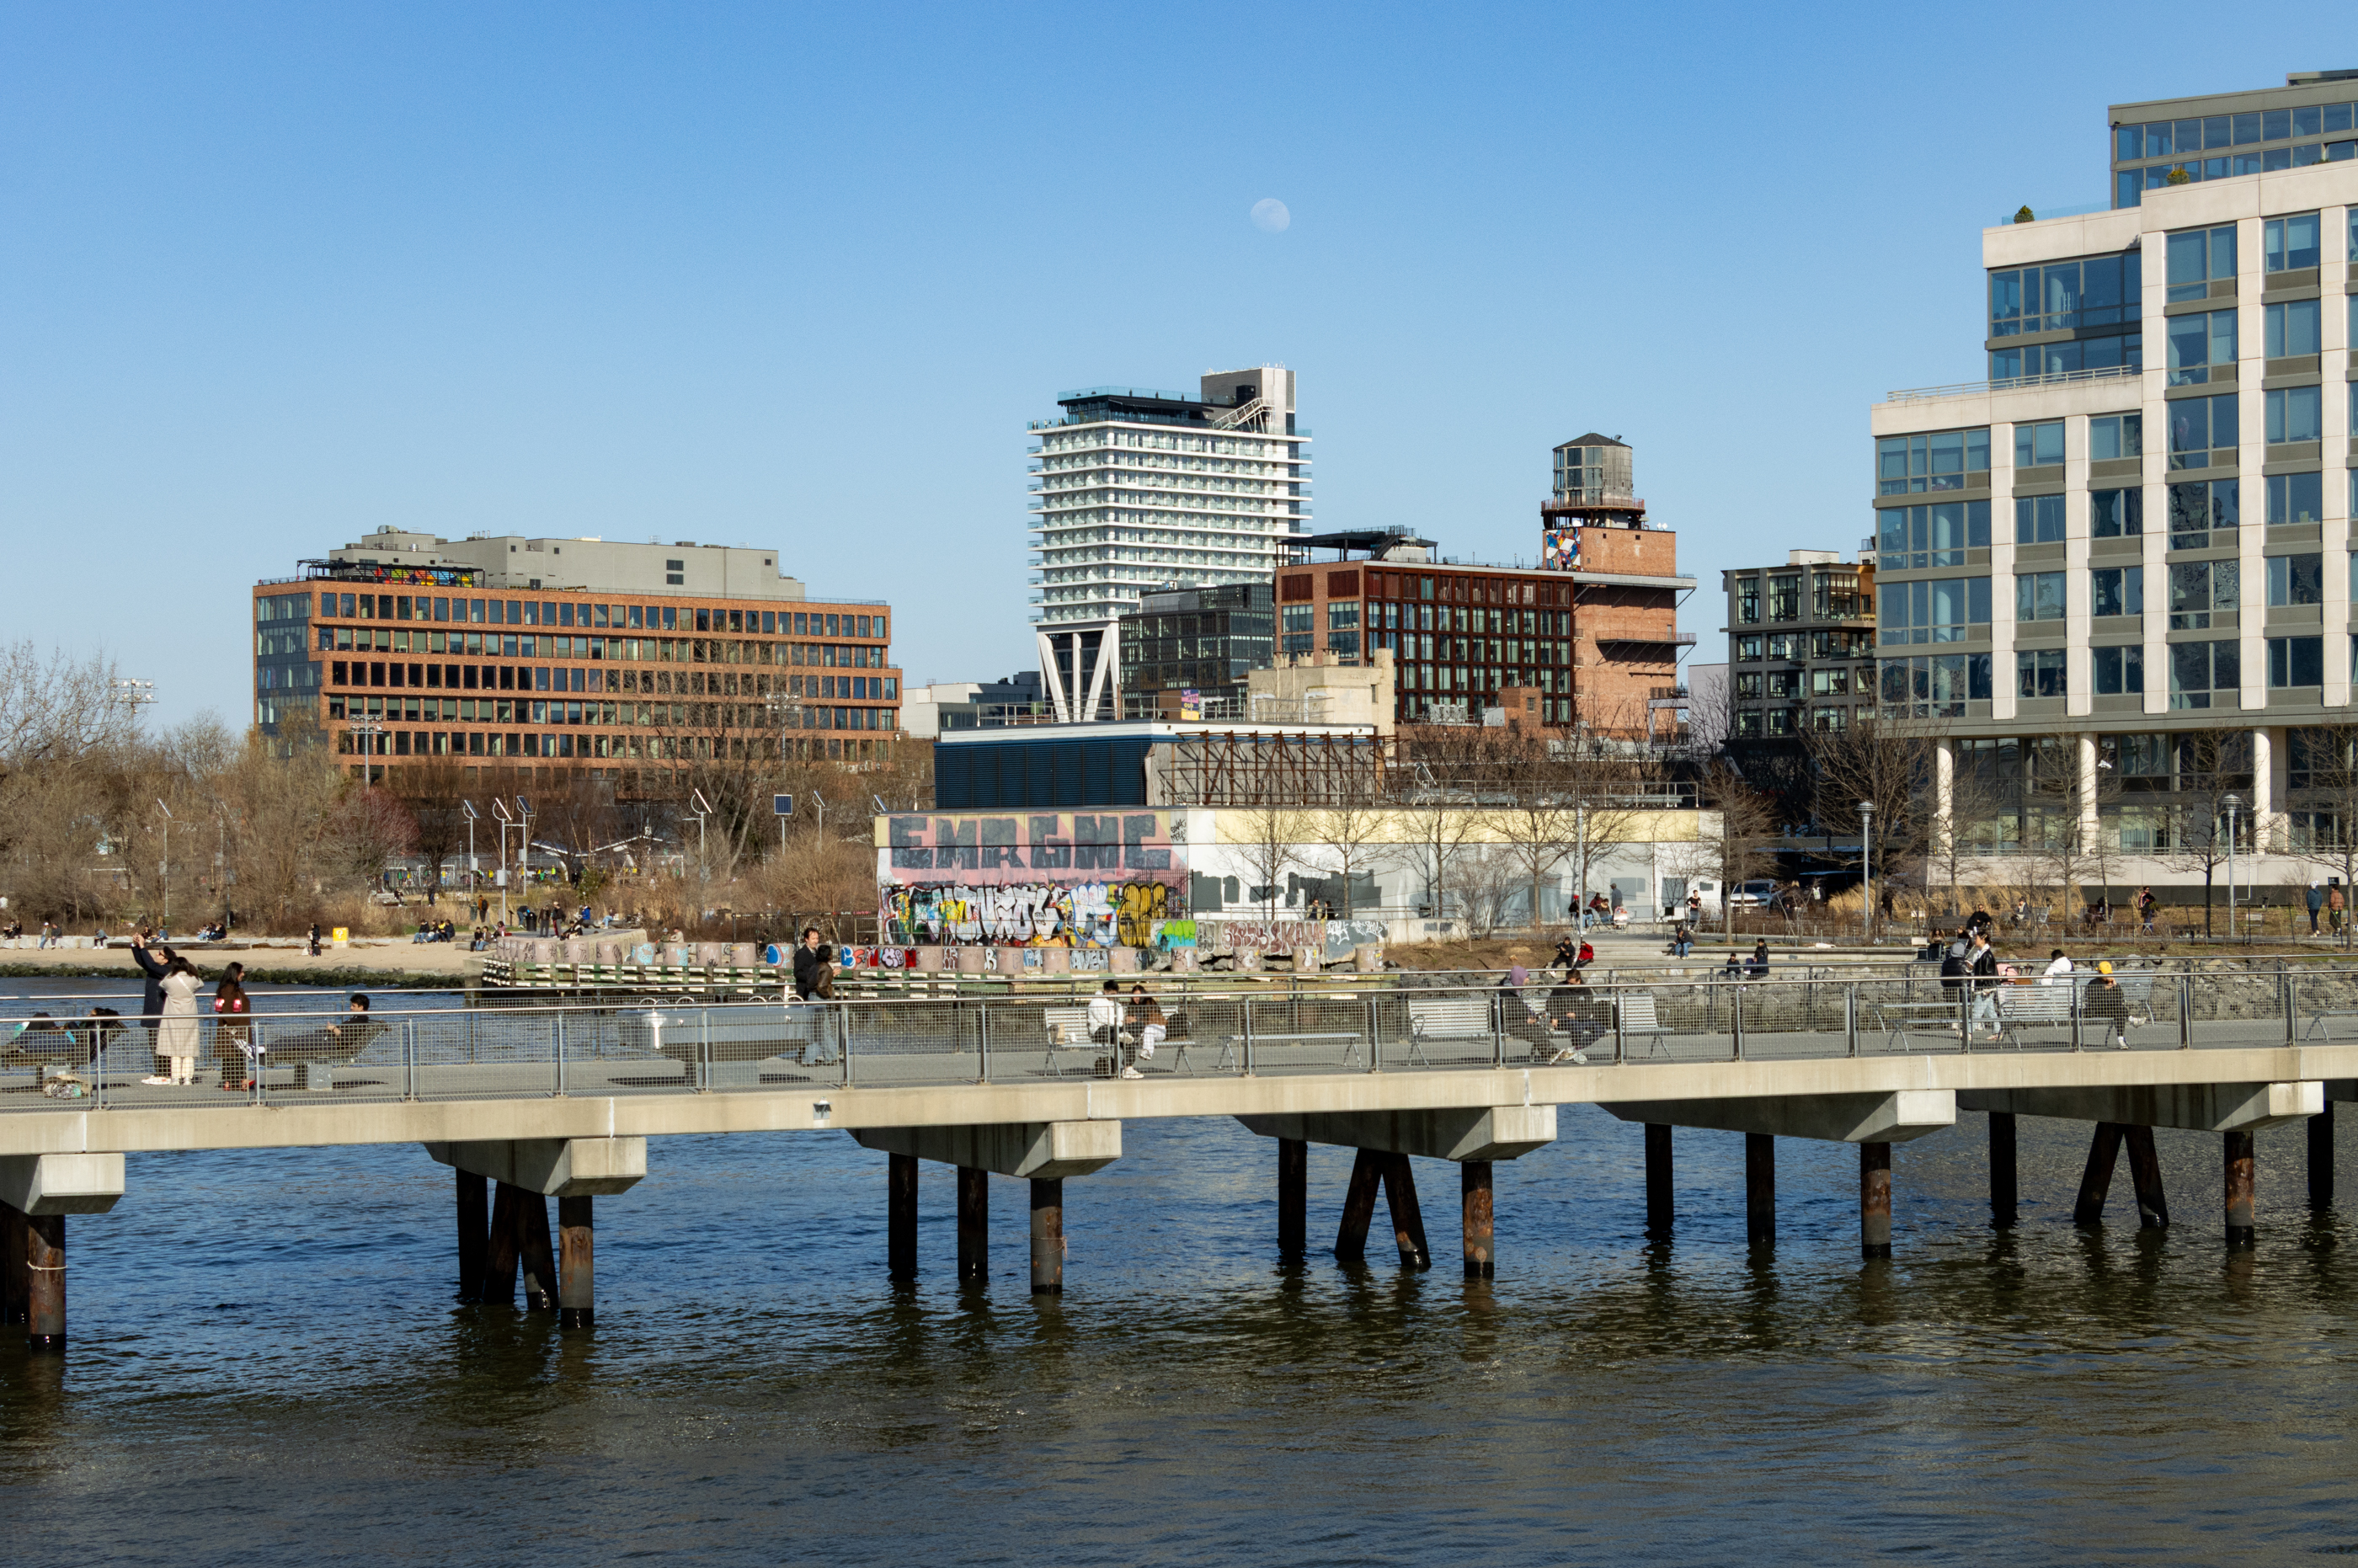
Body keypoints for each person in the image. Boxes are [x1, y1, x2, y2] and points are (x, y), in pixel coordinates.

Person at [147, 953, 204, 1086]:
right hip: (190, 1016)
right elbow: (201, 984)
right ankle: (188, 1078)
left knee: (174, 1048)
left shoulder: (169, 979)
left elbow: (162, 984)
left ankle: (175, 1078)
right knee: (189, 1047)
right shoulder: (193, 979)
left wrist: (170, 973)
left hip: (173, 1016)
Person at [128, 931, 175, 1079]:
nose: (156, 954)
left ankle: (166, 1073)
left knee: (161, 1045)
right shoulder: (156, 969)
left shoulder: (166, 970)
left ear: (166, 960)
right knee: (153, 1044)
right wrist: (135, 946)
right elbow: (144, 963)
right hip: (152, 1012)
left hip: (160, 1013)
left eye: (159, 954)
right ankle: (161, 1072)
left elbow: (149, 964)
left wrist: (143, 947)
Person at [1544, 969, 1612, 1064]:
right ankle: (1576, 1051)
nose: (1569, 986)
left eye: (1572, 984)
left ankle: (1575, 1049)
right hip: (1564, 1018)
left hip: (1583, 1018)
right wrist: (1554, 1017)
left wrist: (1576, 1015)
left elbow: (1589, 1010)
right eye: (1568, 983)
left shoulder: (1586, 990)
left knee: (1600, 1029)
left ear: (1578, 981)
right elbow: (1550, 1003)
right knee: (1577, 1026)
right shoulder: (1560, 986)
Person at [214, 962, 253, 1091]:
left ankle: (231, 1082)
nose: (243, 974)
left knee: (232, 1055)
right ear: (235, 973)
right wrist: (233, 1024)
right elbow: (227, 1010)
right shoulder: (229, 989)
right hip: (235, 1028)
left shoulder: (229, 988)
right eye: (241, 972)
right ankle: (241, 1081)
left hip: (235, 1027)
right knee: (236, 1054)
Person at [1086, 979, 1138, 1079]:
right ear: (1105, 992)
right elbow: (1103, 1019)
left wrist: (1126, 1021)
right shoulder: (1096, 1002)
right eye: (1112, 993)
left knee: (1130, 1036)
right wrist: (1120, 1024)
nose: (1114, 996)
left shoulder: (1118, 1005)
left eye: (1116, 993)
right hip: (1100, 1030)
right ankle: (1123, 1034)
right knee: (1117, 1031)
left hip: (1116, 1029)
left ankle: (1128, 1067)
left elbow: (1121, 1019)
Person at [2086, 960, 2132, 1050]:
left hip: (2111, 1009)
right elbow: (2091, 999)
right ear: (2099, 973)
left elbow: (2120, 997)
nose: (2108, 976)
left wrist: (2116, 986)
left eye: (2109, 974)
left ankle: (2121, 1039)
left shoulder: (2111, 983)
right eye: (2105, 974)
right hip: (2097, 1010)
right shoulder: (2093, 983)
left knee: (2119, 1013)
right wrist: (2105, 989)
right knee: (2118, 1008)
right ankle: (2131, 1019)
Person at [1966, 930, 2002, 1037]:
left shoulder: (1986, 955)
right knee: (1990, 1011)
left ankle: (1968, 1032)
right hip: (1984, 986)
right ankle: (1997, 1032)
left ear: (1982, 940)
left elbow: (1989, 973)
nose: (1974, 940)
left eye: (1976, 938)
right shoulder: (1981, 954)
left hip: (1985, 988)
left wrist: (1987, 988)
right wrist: (1972, 967)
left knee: (1977, 1010)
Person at [1126, 983, 1167, 1069]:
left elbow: (1152, 1020)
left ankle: (1147, 1052)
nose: (1137, 998)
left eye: (1139, 996)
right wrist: (1128, 1019)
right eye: (1135, 996)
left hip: (1159, 1029)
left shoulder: (1149, 1002)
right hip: (1143, 1033)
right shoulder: (1131, 1006)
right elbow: (1130, 1018)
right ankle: (1128, 1065)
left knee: (1149, 1028)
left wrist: (1137, 1020)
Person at [790, 926, 835, 1001]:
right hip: (804, 992)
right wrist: (814, 977)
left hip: (816, 992)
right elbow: (797, 973)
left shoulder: (817, 953)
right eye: (813, 939)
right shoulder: (801, 953)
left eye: (817, 938)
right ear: (806, 939)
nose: (816, 941)